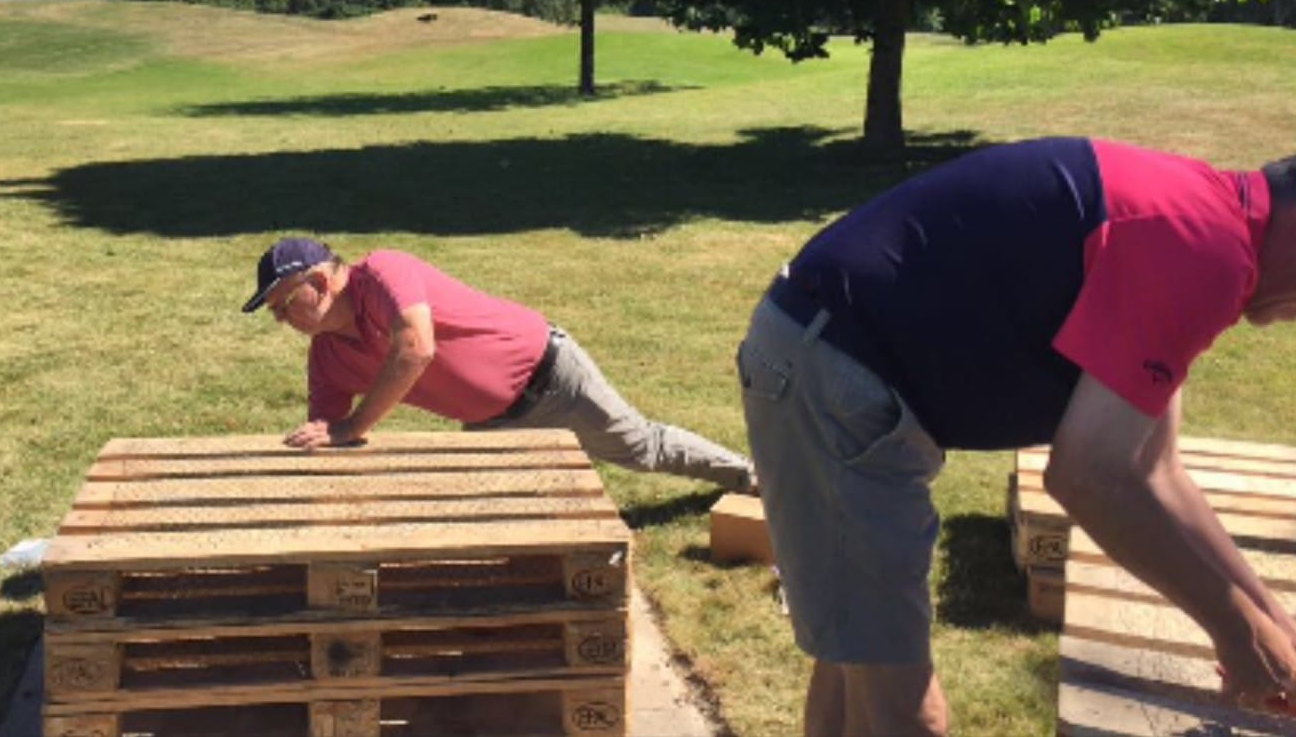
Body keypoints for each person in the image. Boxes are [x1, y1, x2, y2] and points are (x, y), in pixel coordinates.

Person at [736, 137, 1296, 735]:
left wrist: (1272, 629)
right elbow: (1090, 476)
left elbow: (1155, 469)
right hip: (834, 369)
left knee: (859, 662)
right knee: (906, 714)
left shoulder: (1199, 219)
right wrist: (1237, 636)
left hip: (827, 352)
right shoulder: (1204, 248)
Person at [243, 238, 754, 492]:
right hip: (490, 422)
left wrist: (355, 423)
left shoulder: (381, 273)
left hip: (552, 379)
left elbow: (415, 348)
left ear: (319, 282)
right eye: (275, 313)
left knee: (643, 448)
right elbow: (330, 435)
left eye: (284, 304)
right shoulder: (327, 359)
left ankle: (753, 480)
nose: (282, 319)